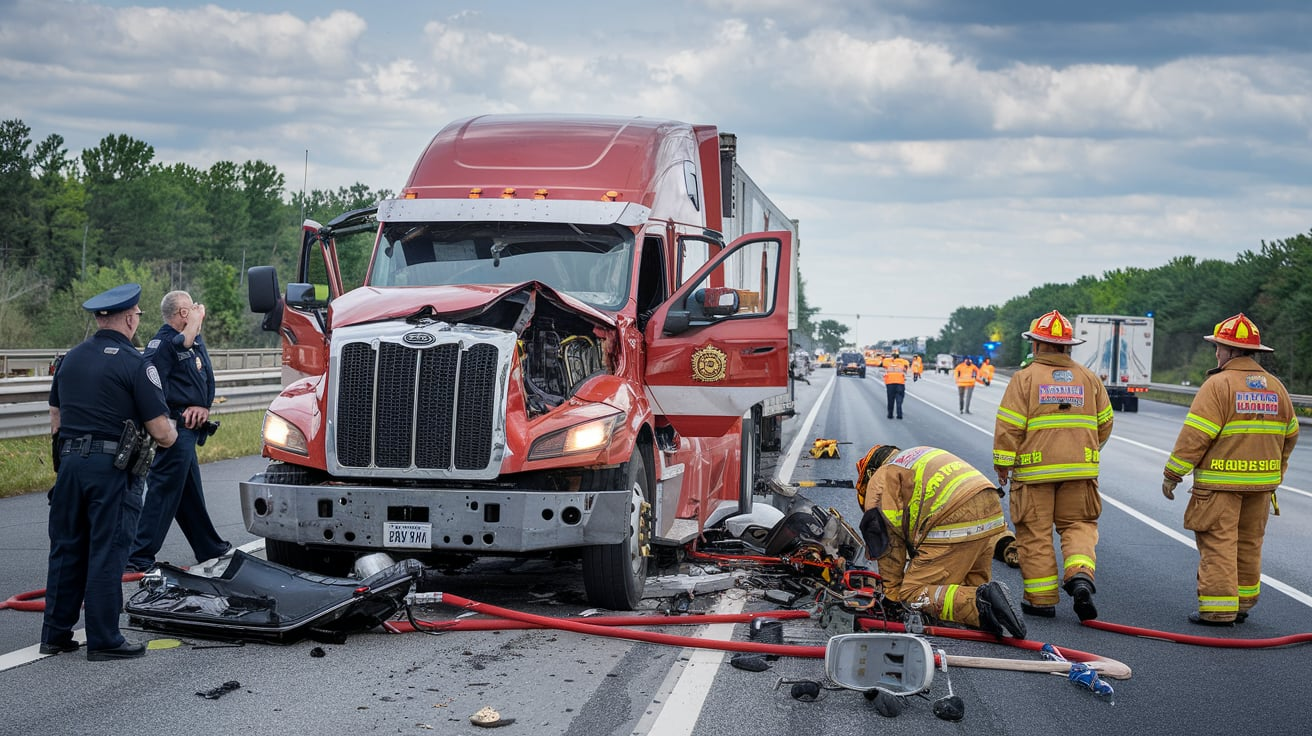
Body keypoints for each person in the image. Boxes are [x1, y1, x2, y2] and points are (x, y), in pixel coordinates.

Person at [44, 284, 178, 661]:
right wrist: (174, 432)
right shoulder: (136, 364)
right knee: (107, 550)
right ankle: (104, 639)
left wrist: (70, 459)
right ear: (131, 318)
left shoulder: (70, 359)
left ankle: (55, 634)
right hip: (112, 470)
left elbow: (56, 419)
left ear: (99, 319)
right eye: (136, 316)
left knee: (67, 549)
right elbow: (159, 430)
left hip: (70, 465)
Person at [1162, 313, 1298, 626]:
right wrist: (1273, 472)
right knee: (1249, 543)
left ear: (1230, 351)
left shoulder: (1218, 385)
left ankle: (1219, 609)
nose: (1216, 353)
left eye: (1219, 348)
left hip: (1219, 488)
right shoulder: (1277, 388)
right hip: (1261, 488)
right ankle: (1243, 602)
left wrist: (1172, 474)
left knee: (1219, 543)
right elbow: (1289, 436)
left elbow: (1195, 437)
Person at [992, 310, 1112, 621]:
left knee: (1035, 533)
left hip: (1034, 476)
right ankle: (1080, 575)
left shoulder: (1025, 379)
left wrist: (1003, 464)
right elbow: (1106, 424)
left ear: (1036, 346)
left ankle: (1041, 600)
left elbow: (1009, 427)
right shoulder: (1089, 379)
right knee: (1079, 526)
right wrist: (1082, 450)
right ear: (1067, 347)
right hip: (1080, 474)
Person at [854, 444, 1026, 639]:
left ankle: (980, 605)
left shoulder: (881, 480)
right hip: (990, 506)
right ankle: (986, 607)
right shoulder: (914, 456)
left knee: (911, 594)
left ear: (870, 472)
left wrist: (892, 595)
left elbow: (890, 546)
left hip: (954, 517)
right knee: (967, 585)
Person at [127, 291, 231, 573]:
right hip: (173, 428)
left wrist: (203, 405)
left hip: (190, 427)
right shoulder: (163, 344)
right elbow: (151, 386)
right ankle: (138, 555)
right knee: (163, 491)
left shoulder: (191, 341)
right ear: (183, 314)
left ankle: (208, 546)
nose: (199, 310)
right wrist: (170, 418)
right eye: (193, 308)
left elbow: (197, 377)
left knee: (188, 493)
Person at [881, 349, 911, 419]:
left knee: (890, 399)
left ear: (892, 356)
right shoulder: (903, 361)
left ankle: (890, 414)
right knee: (899, 399)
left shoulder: (887, 361)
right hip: (900, 383)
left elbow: (883, 363)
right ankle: (899, 413)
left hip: (890, 383)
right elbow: (907, 367)